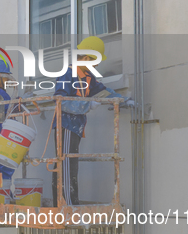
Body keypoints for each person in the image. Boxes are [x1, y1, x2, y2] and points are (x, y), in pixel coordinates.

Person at [52, 36, 133, 205]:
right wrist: (87, 106)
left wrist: (124, 100)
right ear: (87, 58)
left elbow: (104, 92)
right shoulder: (68, 74)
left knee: (71, 164)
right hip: (66, 126)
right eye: (95, 61)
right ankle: (66, 204)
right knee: (66, 164)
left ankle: (70, 201)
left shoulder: (87, 77)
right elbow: (61, 101)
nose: (97, 65)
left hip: (75, 127)